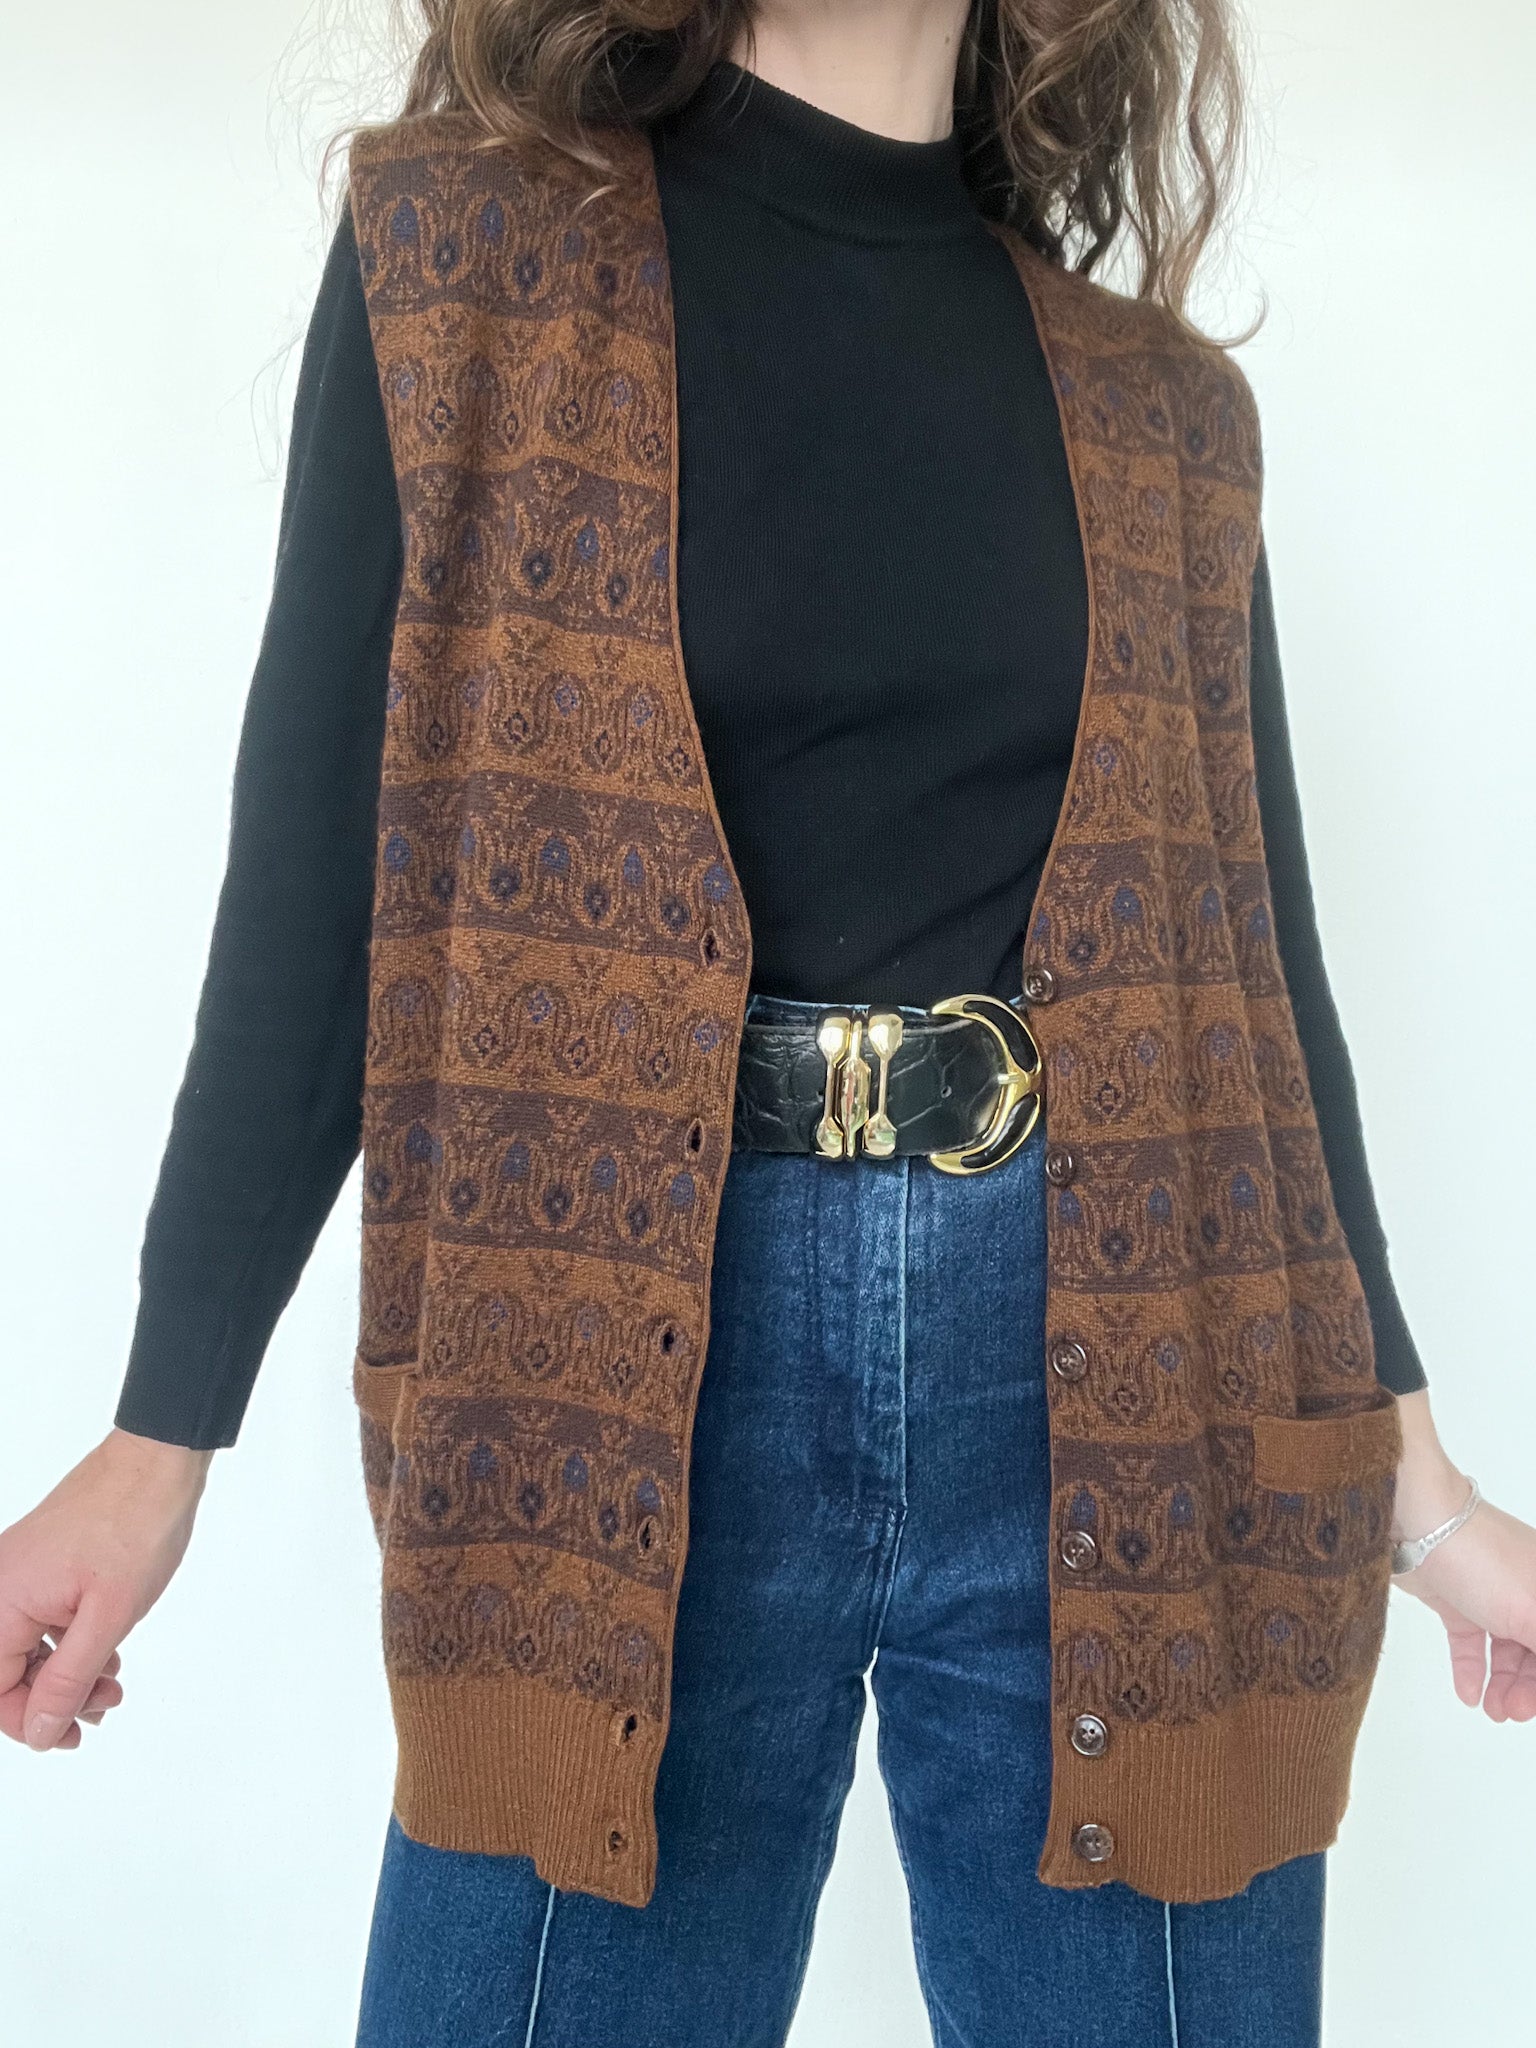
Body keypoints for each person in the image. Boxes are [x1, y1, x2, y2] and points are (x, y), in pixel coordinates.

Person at [3, 3, 1534, 2044]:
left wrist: (1424, 1496)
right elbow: (317, 895)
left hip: (1130, 1394)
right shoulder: (462, 262)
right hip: (609, 1388)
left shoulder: (1166, 412)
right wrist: (158, 1433)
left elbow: (1261, 995)